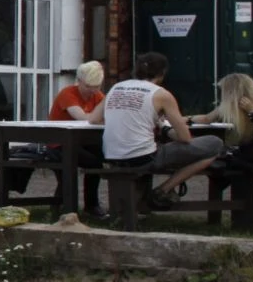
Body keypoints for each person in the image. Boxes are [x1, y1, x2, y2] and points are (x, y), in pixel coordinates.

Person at [90, 51, 223, 209]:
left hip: (112, 156)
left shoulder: (115, 88)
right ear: (162, 74)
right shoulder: (162, 95)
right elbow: (185, 137)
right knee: (215, 144)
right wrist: (165, 128)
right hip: (143, 158)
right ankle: (163, 190)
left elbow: (93, 119)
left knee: (154, 148)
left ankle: (145, 201)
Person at [188, 72, 253, 187]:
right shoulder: (231, 105)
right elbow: (206, 118)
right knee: (215, 153)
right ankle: (239, 164)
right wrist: (182, 119)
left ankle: (236, 163)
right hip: (244, 149)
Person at [45, 61, 108, 219]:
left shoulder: (97, 95)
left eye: (97, 87)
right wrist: (100, 115)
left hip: (81, 142)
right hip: (59, 144)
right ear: (79, 81)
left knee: (100, 157)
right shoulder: (68, 94)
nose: (93, 91)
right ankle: (74, 206)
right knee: (89, 162)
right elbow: (83, 119)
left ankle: (89, 205)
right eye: (89, 86)